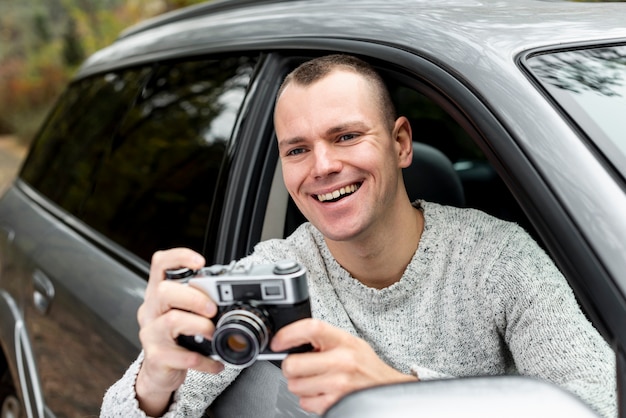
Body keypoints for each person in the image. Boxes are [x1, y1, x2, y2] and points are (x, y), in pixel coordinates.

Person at [100, 54, 616, 418]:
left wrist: (397, 394)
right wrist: (157, 381)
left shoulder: (499, 258)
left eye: (346, 136)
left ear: (401, 143)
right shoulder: (276, 272)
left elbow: (600, 404)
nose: (323, 166)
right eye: (297, 150)